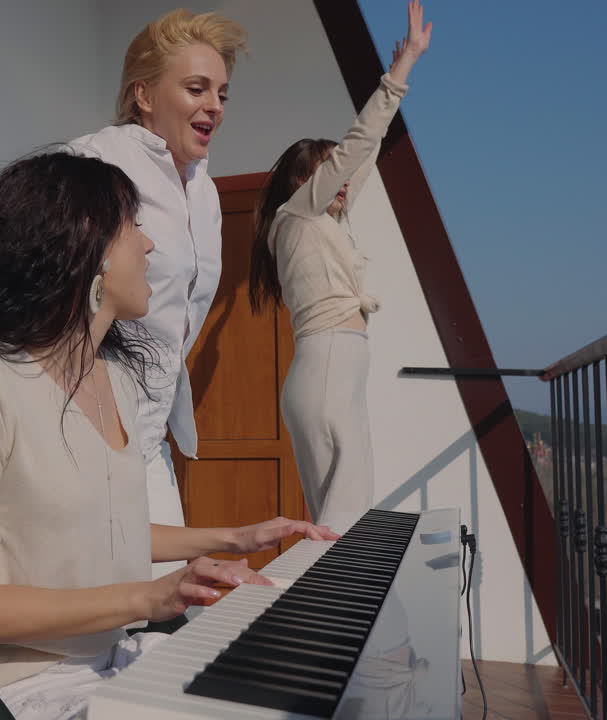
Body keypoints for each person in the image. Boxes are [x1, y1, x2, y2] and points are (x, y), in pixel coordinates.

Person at [0, 152, 338, 720]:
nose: (150, 245)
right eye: (134, 225)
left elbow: (110, 527)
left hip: (116, 659)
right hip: (17, 688)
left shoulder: (115, 382)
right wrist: (150, 597)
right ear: (90, 246)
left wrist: (235, 537)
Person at [68, 9, 248, 577]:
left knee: (172, 601)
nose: (214, 105)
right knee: (106, 613)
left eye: (222, 92)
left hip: (150, 435)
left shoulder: (205, 193)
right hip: (85, 430)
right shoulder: (94, 162)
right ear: (144, 94)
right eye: (196, 88)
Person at [247, 0, 432, 531]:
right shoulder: (297, 214)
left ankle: (311, 608)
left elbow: (363, 155)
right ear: (302, 180)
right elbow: (359, 143)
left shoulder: (315, 221)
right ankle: (313, 610)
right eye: (329, 170)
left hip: (330, 372)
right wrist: (404, 67)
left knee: (333, 526)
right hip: (329, 368)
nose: (342, 180)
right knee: (341, 529)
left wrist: (403, 68)